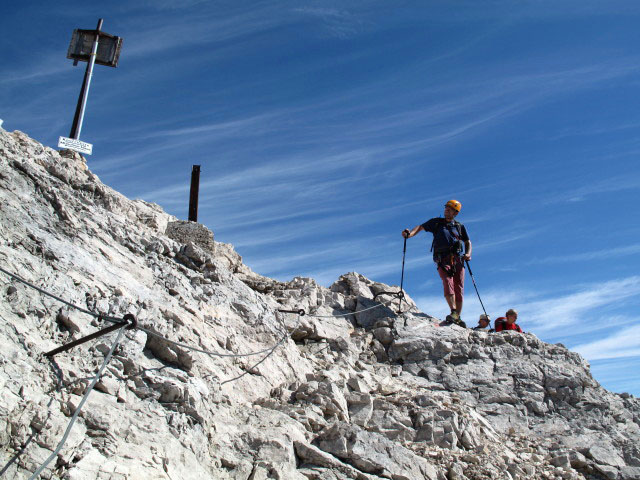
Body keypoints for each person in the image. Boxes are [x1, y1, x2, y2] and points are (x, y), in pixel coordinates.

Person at [403, 199, 472, 327]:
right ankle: (453, 311)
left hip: (457, 259)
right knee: (447, 281)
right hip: (442, 258)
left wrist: (468, 254)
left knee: (459, 287)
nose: (446, 210)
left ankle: (457, 316)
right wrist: (409, 234)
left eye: (450, 209)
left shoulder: (459, 226)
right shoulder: (436, 223)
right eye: (446, 208)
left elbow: (468, 242)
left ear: (455, 213)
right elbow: (420, 227)